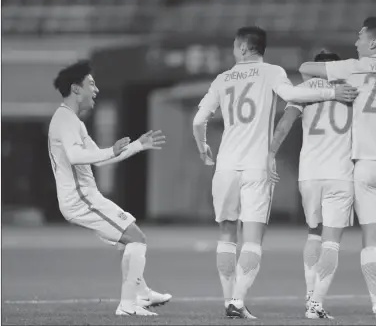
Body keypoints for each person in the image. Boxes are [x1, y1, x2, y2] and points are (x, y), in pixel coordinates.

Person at [192, 26, 359, 319]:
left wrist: (203, 146)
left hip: (226, 164)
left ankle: (228, 300)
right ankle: (239, 300)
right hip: (257, 164)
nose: (233, 50)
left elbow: (198, 120)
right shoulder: (272, 72)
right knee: (254, 238)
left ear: (243, 48)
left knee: (227, 232)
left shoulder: (222, 78)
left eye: (234, 46)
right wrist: (333, 90)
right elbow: (291, 94)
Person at [299, 17, 376, 319]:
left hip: (363, 165)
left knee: (371, 237)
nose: (356, 43)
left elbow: (306, 68)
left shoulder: (352, 68)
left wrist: (331, 82)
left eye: (359, 37)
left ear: (372, 42)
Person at [48, 60, 171, 317]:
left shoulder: (72, 121)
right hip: (80, 199)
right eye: (91, 84)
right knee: (137, 238)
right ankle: (128, 306)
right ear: (75, 88)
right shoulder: (64, 120)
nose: (96, 90)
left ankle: (143, 294)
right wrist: (109, 150)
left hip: (87, 197)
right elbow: (75, 156)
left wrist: (137, 145)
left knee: (128, 241)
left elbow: (99, 156)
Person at [268, 49, 354, 319]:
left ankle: (309, 293)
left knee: (314, 232)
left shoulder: (303, 89)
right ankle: (316, 304)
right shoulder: (351, 89)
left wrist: (270, 153)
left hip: (309, 174)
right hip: (339, 172)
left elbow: (284, 124)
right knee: (332, 241)